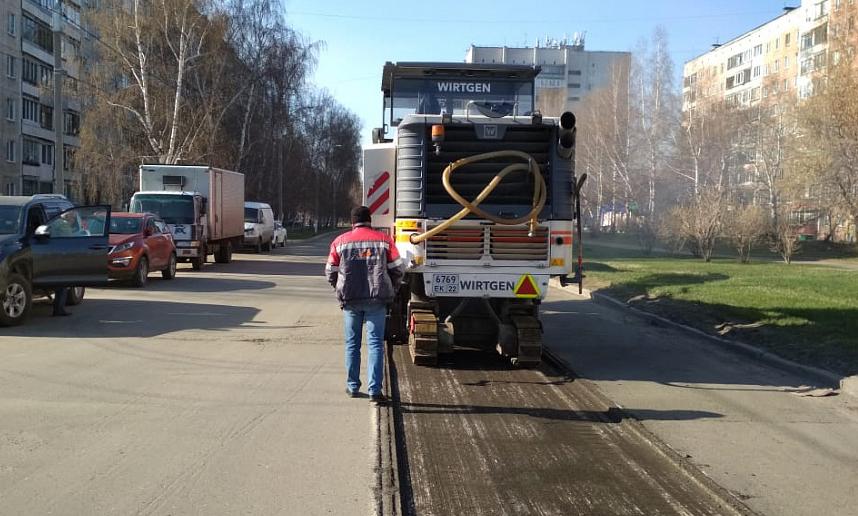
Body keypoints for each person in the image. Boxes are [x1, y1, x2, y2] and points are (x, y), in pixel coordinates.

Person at [325, 206, 403, 403]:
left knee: (352, 345)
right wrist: (392, 290)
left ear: (352, 222)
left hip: (351, 300)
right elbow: (398, 269)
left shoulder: (339, 242)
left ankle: (352, 387)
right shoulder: (385, 241)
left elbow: (330, 271)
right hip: (377, 300)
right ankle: (375, 391)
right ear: (370, 220)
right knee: (375, 345)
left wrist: (340, 289)